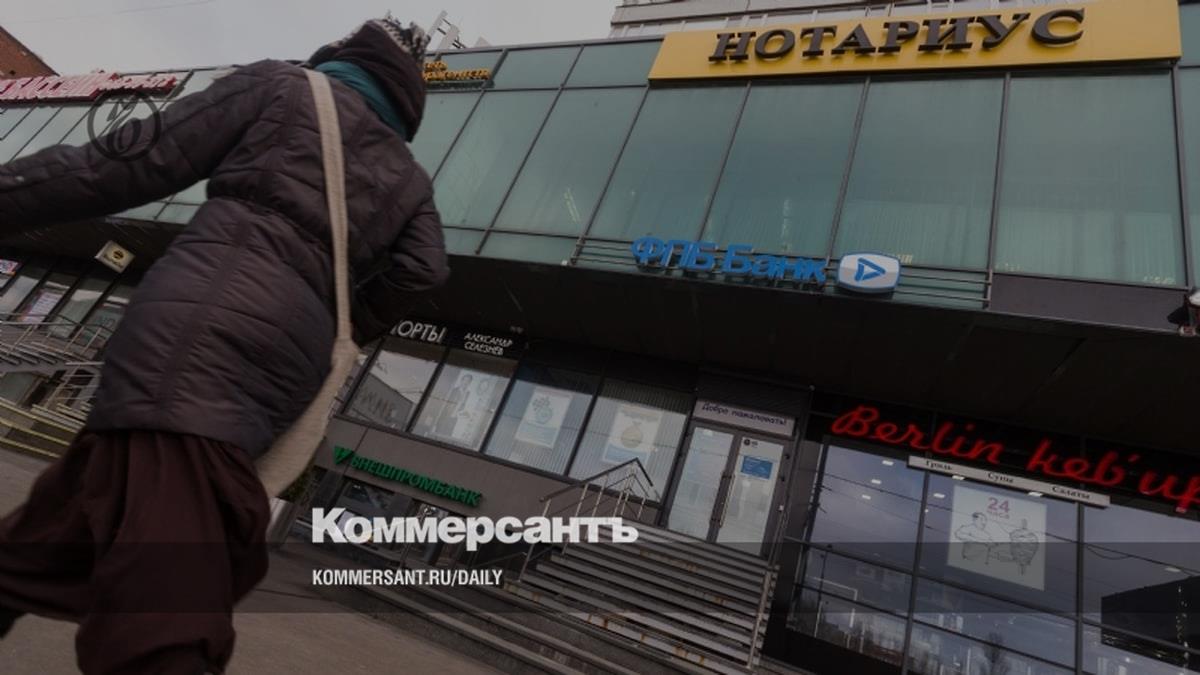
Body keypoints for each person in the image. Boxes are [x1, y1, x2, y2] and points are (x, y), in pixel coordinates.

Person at [0, 16, 448, 675]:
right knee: (46, 544)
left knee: (166, 609)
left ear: (346, 55)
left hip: (196, 333)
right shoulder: (410, 179)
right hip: (286, 364)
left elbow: (116, 166)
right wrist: (337, 317)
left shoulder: (281, 88)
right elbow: (424, 270)